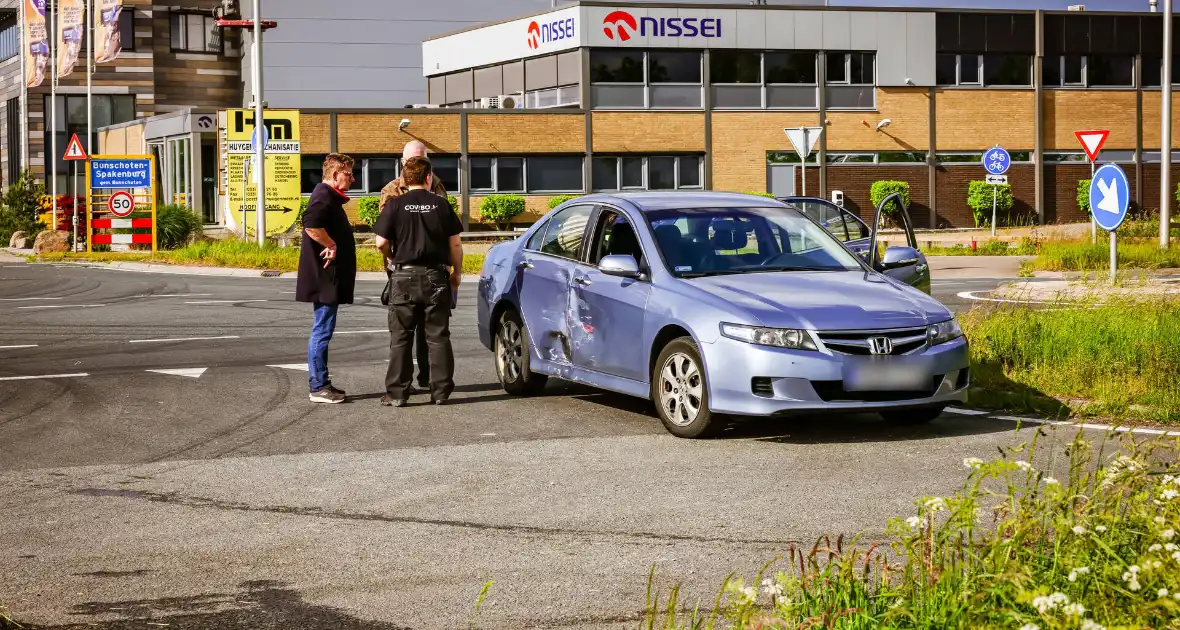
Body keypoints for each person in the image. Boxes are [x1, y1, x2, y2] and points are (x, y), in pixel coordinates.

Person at [373, 156, 463, 407]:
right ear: (428, 178)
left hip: (403, 277)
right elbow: (455, 243)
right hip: (436, 276)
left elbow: (381, 243)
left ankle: (397, 393)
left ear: (405, 179)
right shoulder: (441, 205)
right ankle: (441, 391)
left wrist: (393, 258)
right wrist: (456, 273)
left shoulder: (395, 204)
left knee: (401, 336)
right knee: (438, 336)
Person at [379, 140, 449, 393]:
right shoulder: (391, 191)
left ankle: (426, 381)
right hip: (404, 267)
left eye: (421, 159)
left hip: (430, 267)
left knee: (427, 332)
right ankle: (413, 386)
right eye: (412, 159)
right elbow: (386, 235)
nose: (417, 164)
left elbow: (380, 241)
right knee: (408, 331)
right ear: (402, 163)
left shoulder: (438, 186)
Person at [296, 153, 358, 404]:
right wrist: (331, 244)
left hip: (328, 278)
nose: (353, 179)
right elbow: (310, 224)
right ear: (335, 175)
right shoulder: (323, 196)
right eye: (349, 174)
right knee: (322, 331)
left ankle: (321, 382)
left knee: (323, 330)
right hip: (324, 278)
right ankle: (318, 386)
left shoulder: (328, 197)